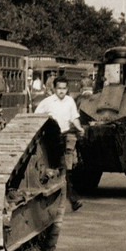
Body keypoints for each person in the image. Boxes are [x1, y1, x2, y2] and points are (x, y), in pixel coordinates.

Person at [34, 78, 85, 211]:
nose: (61, 91)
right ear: (54, 89)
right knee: (61, 167)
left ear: (67, 89)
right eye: (59, 88)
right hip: (52, 138)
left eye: (64, 88)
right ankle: (71, 200)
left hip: (66, 135)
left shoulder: (70, 101)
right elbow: (36, 116)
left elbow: (74, 117)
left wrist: (79, 128)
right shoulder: (47, 102)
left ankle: (70, 199)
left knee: (66, 167)